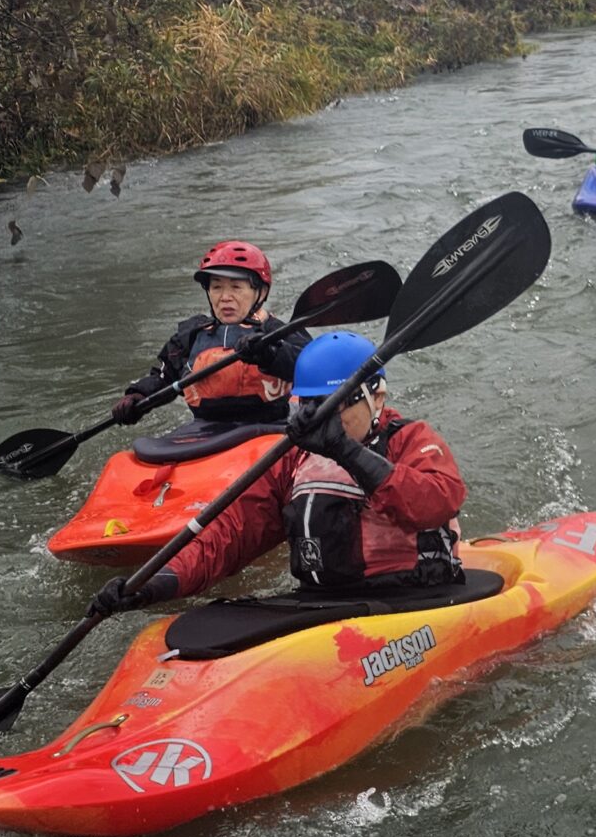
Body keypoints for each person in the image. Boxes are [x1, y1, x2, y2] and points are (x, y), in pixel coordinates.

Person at [89, 331, 468, 611]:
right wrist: (152, 584)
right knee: (197, 629)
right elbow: (228, 535)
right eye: (311, 405)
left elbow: (436, 502)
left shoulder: (410, 440)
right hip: (322, 600)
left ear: (377, 397)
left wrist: (346, 452)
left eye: (332, 405)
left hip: (410, 597)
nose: (321, 419)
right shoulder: (293, 458)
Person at [111, 240, 294, 425]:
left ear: (261, 292)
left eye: (236, 287)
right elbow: (164, 377)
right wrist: (138, 395)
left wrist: (270, 354)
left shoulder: (277, 331)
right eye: (216, 287)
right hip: (206, 429)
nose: (225, 297)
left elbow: (304, 365)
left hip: (272, 424)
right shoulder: (191, 335)